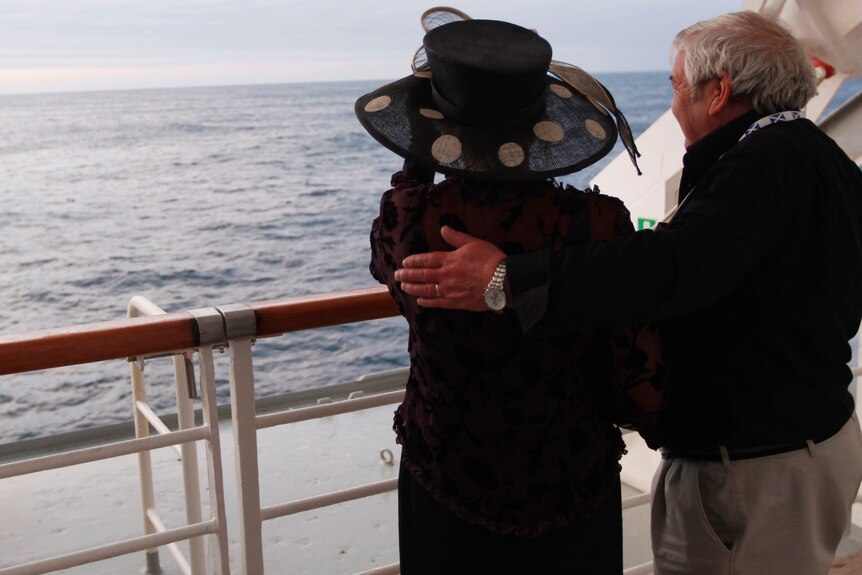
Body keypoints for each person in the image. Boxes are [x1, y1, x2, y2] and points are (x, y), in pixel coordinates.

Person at [394, 10, 862, 575]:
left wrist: (506, 281)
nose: (672, 104)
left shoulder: (762, 166)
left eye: (677, 86)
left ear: (719, 93)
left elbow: (675, 264)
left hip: (754, 465)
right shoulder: (819, 157)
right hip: (802, 440)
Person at [357, 10, 664, 574]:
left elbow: (388, 267)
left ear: (439, 127)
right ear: (540, 123)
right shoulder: (597, 223)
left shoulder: (408, 222)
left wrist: (420, 155)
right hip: (570, 482)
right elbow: (632, 361)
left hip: (445, 477)